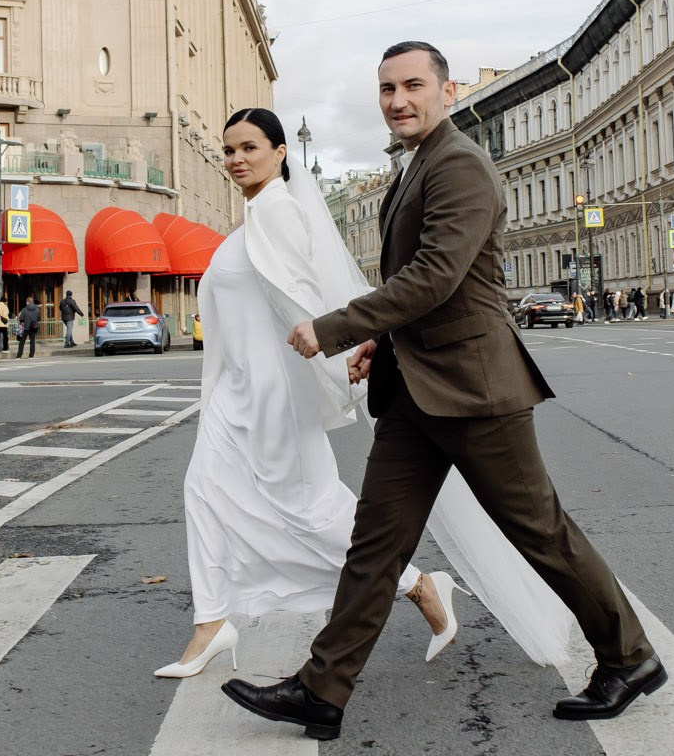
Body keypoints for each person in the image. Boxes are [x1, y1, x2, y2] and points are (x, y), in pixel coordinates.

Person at [224, 41, 662, 742]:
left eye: (413, 85)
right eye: (387, 88)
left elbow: (434, 276)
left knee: (540, 532)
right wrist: (378, 340)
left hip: (474, 389)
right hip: (415, 390)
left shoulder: (459, 163)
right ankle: (321, 688)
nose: (399, 99)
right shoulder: (417, 163)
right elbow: (421, 290)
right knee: (375, 545)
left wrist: (335, 327)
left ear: (446, 89)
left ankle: (630, 657)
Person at [160, 106, 471, 680]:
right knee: (203, 491)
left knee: (312, 510)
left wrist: (342, 357)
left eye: (249, 148)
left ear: (281, 153)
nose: (235, 160)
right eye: (229, 150)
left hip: (277, 391)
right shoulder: (254, 216)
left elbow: (306, 297)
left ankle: (422, 586)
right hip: (237, 391)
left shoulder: (278, 211)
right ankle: (211, 622)